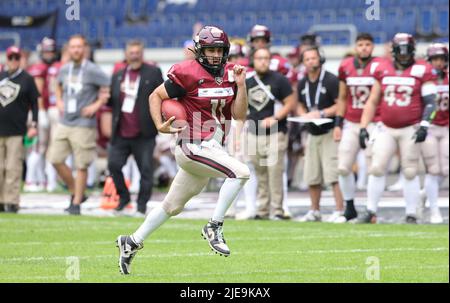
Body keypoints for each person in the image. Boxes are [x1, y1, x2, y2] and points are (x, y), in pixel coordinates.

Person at [116, 25, 249, 275]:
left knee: (172, 206)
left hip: (212, 146)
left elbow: (239, 115)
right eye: (210, 50)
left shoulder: (233, 73)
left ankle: (132, 241)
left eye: (219, 50)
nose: (215, 56)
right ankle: (214, 226)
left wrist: (241, 86)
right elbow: (155, 96)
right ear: (199, 50)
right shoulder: (186, 72)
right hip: (192, 144)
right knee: (240, 172)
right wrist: (159, 125)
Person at [358, 33, 437, 224]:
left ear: (412, 51)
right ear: (393, 51)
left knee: (409, 171)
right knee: (376, 167)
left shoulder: (422, 69)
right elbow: (373, 100)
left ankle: (411, 214)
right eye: (400, 51)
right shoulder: (382, 68)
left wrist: (425, 125)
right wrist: (363, 126)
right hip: (386, 127)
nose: (403, 56)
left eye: (406, 51)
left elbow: (430, 102)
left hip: (410, 127)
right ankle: (371, 211)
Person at [47, 34, 111, 215]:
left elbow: (107, 88)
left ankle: (76, 203)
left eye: (79, 47)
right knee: (55, 159)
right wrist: (59, 101)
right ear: (68, 49)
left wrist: (96, 105)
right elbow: (57, 85)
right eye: (72, 47)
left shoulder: (92, 69)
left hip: (84, 123)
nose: (75, 50)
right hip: (65, 121)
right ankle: (77, 191)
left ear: (84, 49)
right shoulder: (64, 69)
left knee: (81, 164)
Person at [107, 40, 164, 216]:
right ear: (126, 54)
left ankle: (141, 206)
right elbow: (112, 100)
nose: (134, 55)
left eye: (137, 52)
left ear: (142, 53)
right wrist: (104, 99)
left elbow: (163, 96)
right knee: (113, 165)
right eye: (131, 52)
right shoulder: (118, 74)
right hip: (121, 130)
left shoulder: (153, 72)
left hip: (144, 132)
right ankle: (123, 199)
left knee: (145, 170)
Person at [333, 33, 384, 222]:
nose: (364, 48)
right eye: (360, 44)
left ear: (372, 46)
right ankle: (350, 207)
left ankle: (371, 210)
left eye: (367, 44)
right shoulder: (346, 66)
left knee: (374, 167)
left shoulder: (380, 66)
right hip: (352, 122)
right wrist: (338, 123)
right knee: (343, 167)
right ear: (356, 46)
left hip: (374, 122)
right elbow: (343, 97)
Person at [245, 47, 296, 220]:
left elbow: (290, 102)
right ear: (254, 60)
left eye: (266, 58)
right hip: (254, 129)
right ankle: (262, 209)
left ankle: (277, 209)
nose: (263, 61)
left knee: (275, 170)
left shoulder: (279, 79)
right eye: (259, 58)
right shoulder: (247, 80)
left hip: (275, 130)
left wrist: (276, 117)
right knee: (259, 171)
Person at [296, 45, 344, 222]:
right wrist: (303, 114)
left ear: (320, 59)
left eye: (313, 58)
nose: (310, 62)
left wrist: (322, 113)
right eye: (307, 59)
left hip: (329, 130)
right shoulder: (303, 82)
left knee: (333, 173)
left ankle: (340, 209)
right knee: (312, 174)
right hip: (312, 132)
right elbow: (299, 103)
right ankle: (314, 210)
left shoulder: (331, 80)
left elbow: (341, 104)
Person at [0, 46, 39, 213]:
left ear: (21, 59)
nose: (14, 61)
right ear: (7, 59)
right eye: (11, 58)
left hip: (17, 130)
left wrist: (34, 124)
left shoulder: (27, 79)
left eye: (17, 58)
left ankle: (11, 201)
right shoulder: (1, 76)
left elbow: (35, 103)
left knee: (13, 167)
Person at [418, 43, 449, 224]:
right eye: (435, 59)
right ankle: (434, 210)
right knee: (433, 169)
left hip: (445, 127)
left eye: (441, 59)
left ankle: (424, 194)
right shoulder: (423, 77)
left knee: (445, 170)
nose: (438, 63)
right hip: (429, 127)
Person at [24, 37, 58, 192]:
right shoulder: (39, 68)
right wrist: (41, 111)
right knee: (38, 147)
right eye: (46, 50)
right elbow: (37, 93)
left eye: (51, 50)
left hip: (48, 110)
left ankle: (43, 180)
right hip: (40, 111)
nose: (49, 53)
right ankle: (31, 180)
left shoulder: (54, 67)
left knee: (48, 147)